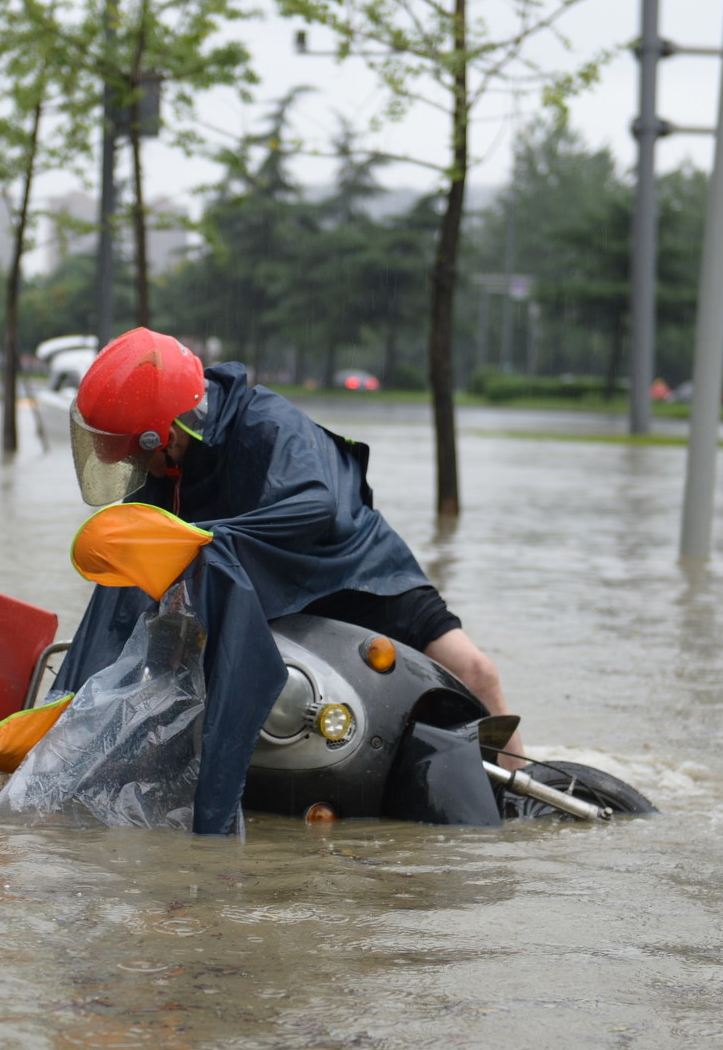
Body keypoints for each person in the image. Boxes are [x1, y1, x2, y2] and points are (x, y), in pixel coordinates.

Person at [53, 328, 525, 834]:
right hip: (263, 582)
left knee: (476, 672)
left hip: (354, 569)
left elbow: (315, 506)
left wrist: (208, 537)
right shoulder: (162, 468)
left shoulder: (267, 422)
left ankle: (521, 807)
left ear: (164, 436)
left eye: (135, 455)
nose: (133, 467)